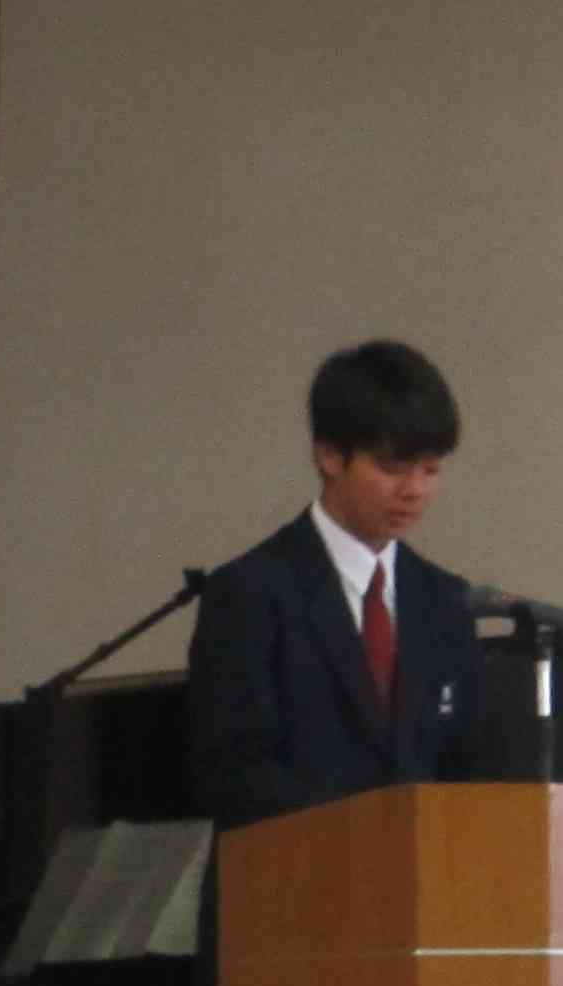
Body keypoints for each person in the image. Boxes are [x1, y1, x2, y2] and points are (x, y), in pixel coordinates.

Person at [187, 338, 486, 832]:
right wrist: (359, 834)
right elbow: (236, 773)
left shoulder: (446, 600)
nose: (414, 490)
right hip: (299, 867)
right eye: (392, 467)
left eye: (430, 469)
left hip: (425, 870)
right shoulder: (250, 593)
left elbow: (466, 764)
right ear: (328, 456)